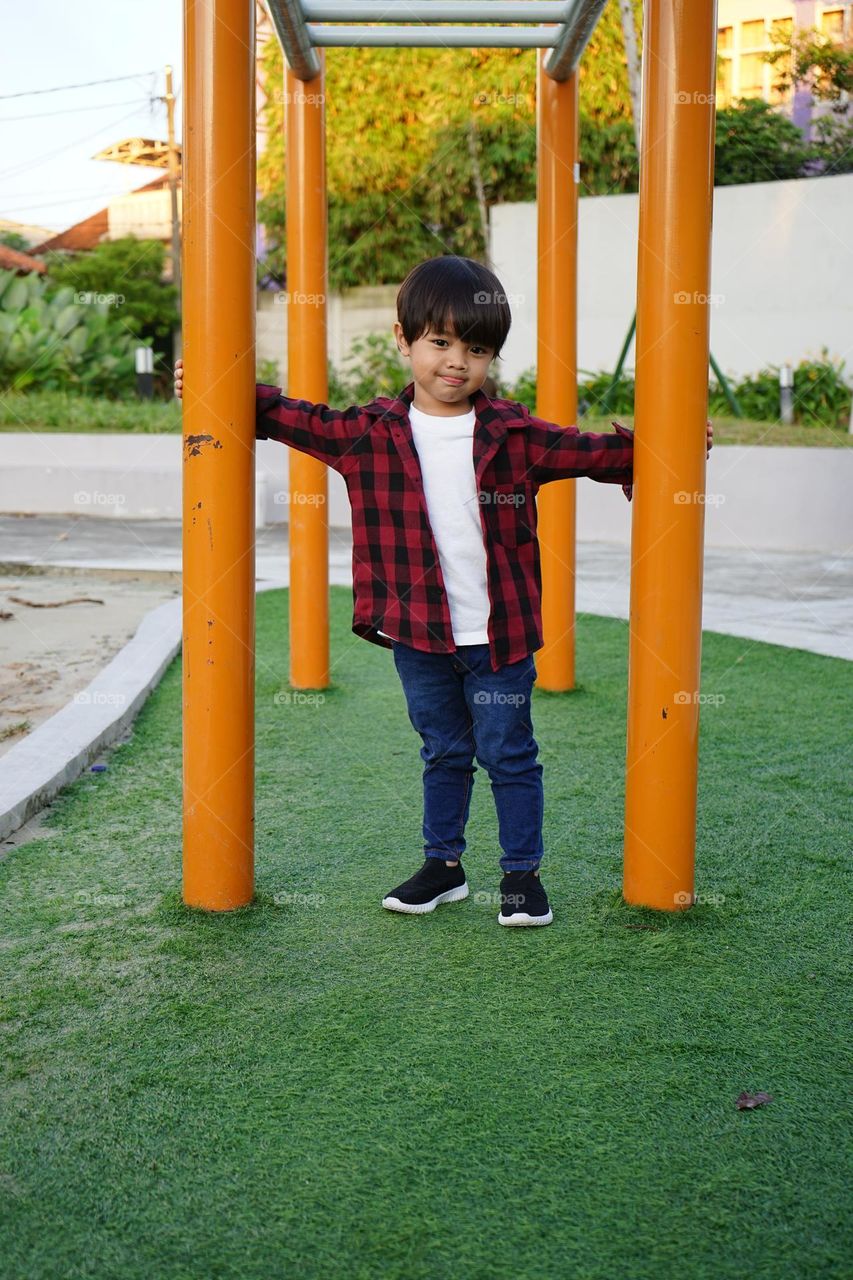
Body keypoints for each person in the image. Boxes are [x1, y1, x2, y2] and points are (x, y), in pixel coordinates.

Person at [174, 254, 713, 927]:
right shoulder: (366, 433)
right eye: (440, 343)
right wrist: (210, 386)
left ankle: (520, 878)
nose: (456, 362)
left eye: (476, 349)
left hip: (499, 638)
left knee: (508, 755)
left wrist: (678, 441)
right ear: (403, 340)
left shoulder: (516, 437)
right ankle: (444, 867)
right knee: (443, 753)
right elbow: (286, 414)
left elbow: (599, 453)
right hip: (419, 638)